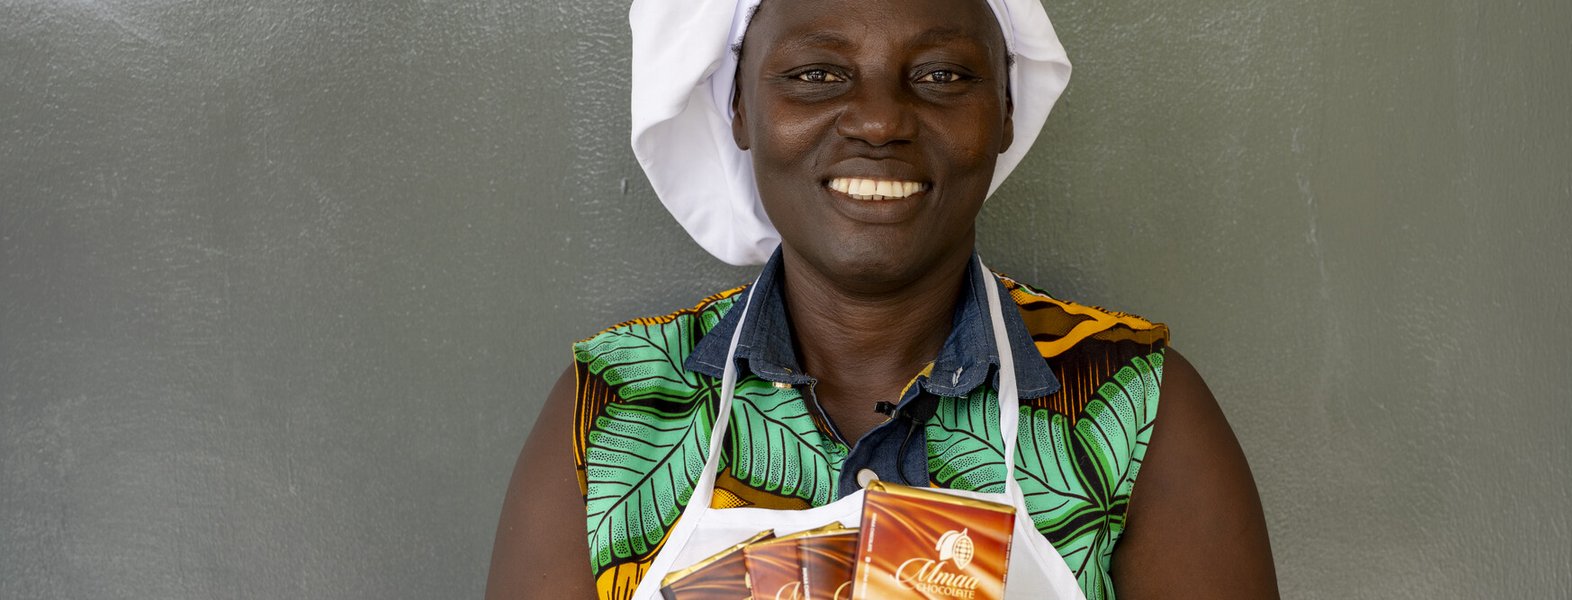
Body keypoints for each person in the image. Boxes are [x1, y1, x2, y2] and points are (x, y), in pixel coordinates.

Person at [486, 0, 1278, 597]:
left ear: (1003, 110)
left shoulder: (1136, 406)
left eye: (940, 75)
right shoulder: (612, 409)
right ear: (738, 110)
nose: (878, 119)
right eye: (817, 74)